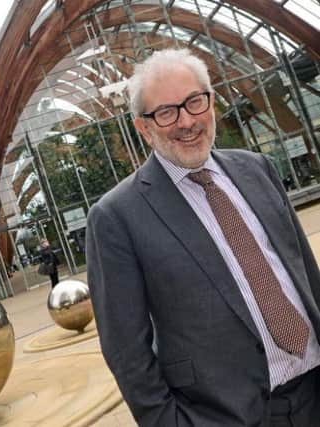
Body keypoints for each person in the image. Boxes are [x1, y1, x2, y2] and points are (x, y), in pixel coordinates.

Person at [86, 49, 320, 427]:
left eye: (195, 102)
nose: (187, 121)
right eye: (166, 112)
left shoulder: (256, 168)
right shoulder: (116, 217)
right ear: (142, 127)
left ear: (211, 102)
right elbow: (127, 351)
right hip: (226, 415)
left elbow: (306, 274)